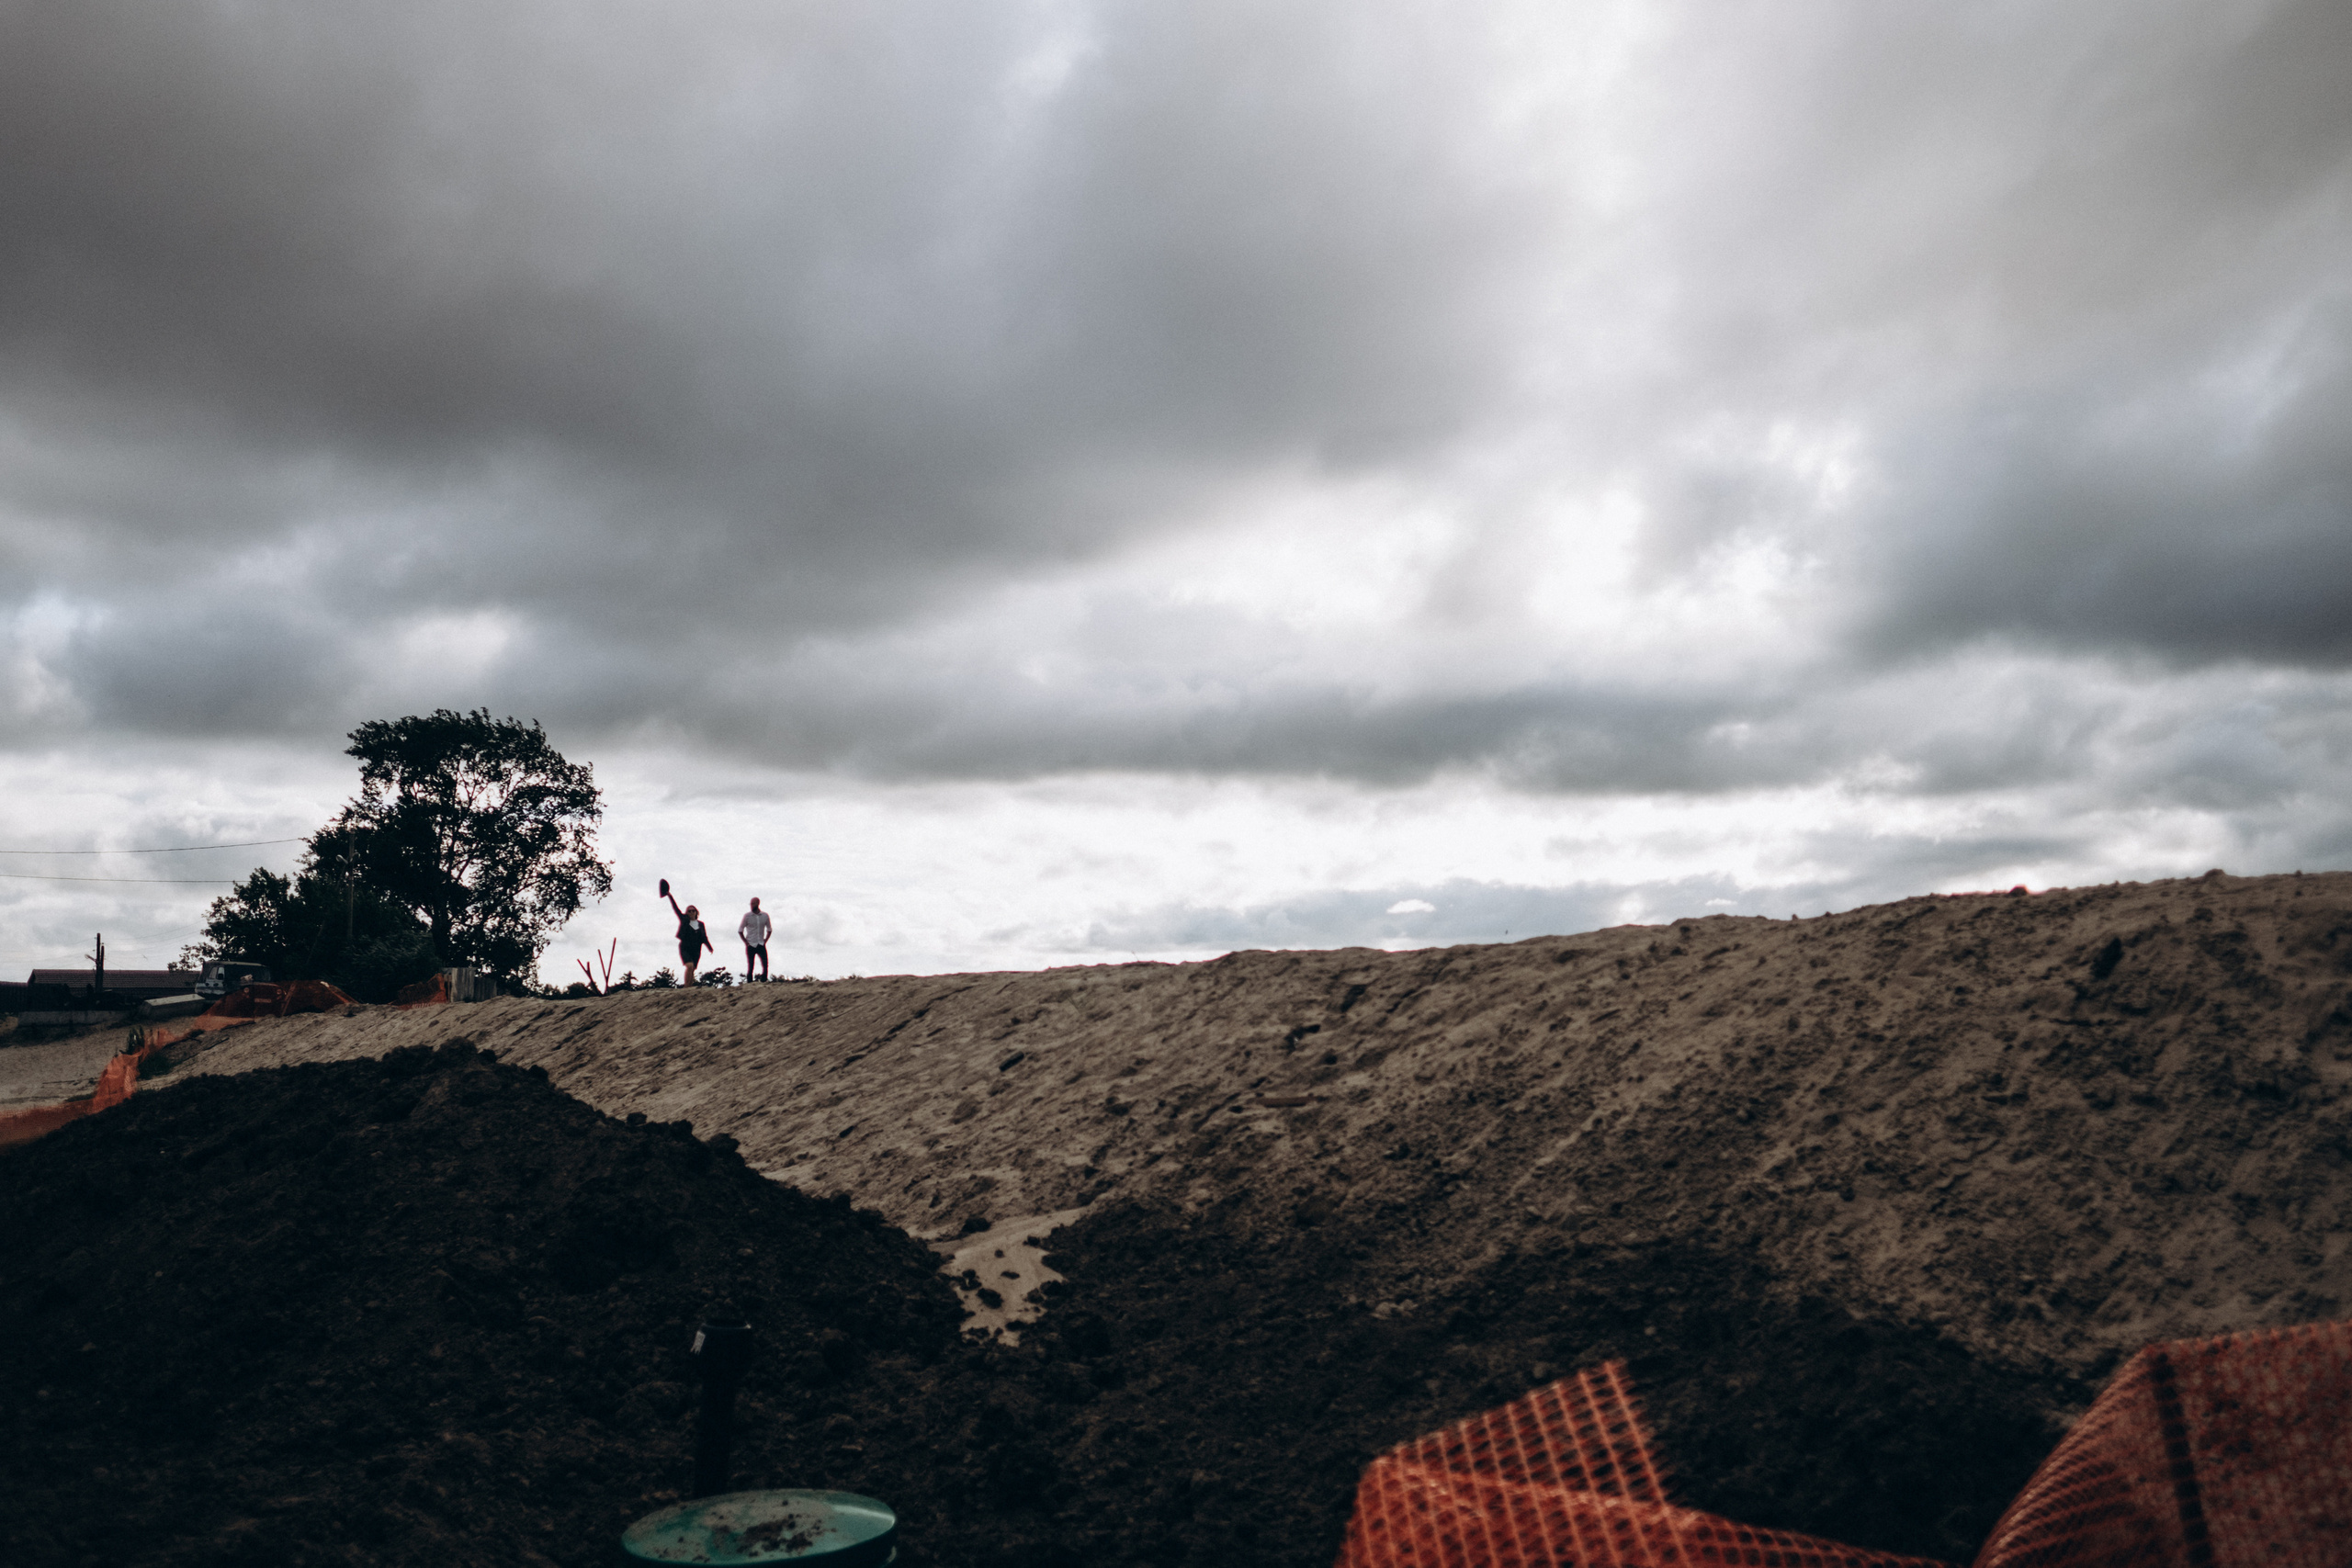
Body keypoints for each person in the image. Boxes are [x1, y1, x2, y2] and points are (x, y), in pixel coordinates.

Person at [663, 885, 715, 986]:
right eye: (689, 911)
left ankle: (689, 987)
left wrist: (709, 947)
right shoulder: (684, 920)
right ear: (687, 913)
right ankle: (686, 987)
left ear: (696, 912)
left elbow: (704, 937)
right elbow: (675, 908)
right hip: (685, 947)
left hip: (696, 949)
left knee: (693, 968)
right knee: (689, 966)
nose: (691, 912)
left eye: (693, 910)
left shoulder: (701, 924)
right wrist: (670, 896)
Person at [739, 897, 773, 983]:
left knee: (765, 963)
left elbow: (769, 929)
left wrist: (765, 940)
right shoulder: (747, 916)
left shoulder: (765, 916)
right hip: (751, 943)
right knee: (751, 965)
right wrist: (746, 942)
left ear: (758, 903)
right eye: (751, 904)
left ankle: (764, 980)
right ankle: (749, 982)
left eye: (753, 903)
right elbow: (740, 930)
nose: (751, 905)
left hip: (761, 943)